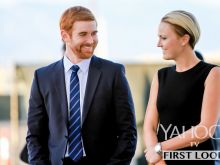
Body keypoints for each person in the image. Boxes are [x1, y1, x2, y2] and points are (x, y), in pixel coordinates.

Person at [26, 6, 137, 165]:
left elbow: (128, 132)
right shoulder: (42, 77)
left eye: (94, 33)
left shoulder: (113, 73)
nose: (91, 40)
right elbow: (35, 135)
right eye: (83, 34)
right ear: (65, 36)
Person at [143, 10, 220, 165]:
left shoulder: (212, 73)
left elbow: (205, 129)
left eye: (163, 38)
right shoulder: (160, 76)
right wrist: (158, 160)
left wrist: (159, 148)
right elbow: (149, 125)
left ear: (184, 39)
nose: (158, 44)